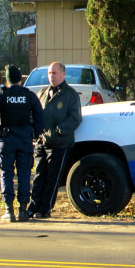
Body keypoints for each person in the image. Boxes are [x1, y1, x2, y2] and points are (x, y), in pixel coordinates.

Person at [0, 65, 44, 222]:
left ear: (6, 79)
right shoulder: (29, 96)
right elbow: (40, 117)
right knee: (24, 174)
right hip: (25, 139)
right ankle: (23, 211)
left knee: (6, 173)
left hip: (6, 140)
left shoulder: (0, 96)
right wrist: (35, 133)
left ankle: (9, 210)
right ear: (20, 79)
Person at [28, 62, 82, 219]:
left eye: (54, 73)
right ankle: (33, 206)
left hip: (59, 143)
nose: (51, 76)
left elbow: (75, 118)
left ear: (63, 74)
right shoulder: (43, 93)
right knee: (39, 175)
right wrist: (36, 133)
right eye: (50, 73)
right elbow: (35, 115)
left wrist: (57, 131)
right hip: (41, 141)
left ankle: (45, 209)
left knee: (53, 178)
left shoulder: (70, 94)